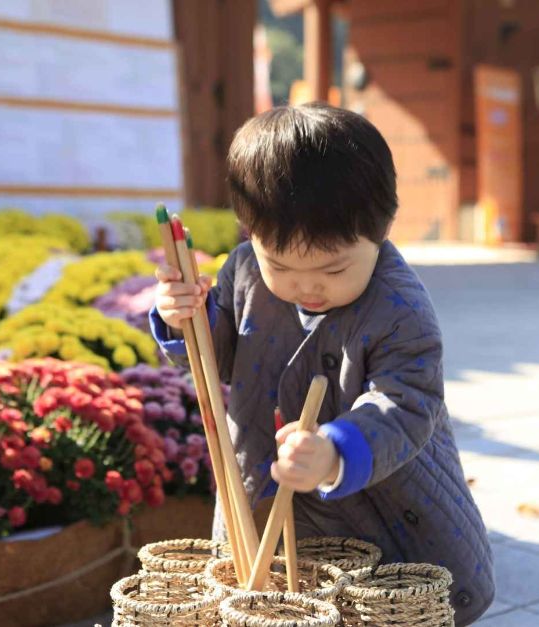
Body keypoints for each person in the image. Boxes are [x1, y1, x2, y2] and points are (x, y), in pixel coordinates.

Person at [150, 102, 494, 622]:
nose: (306, 286)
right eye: (281, 265)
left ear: (379, 231)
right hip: (262, 502)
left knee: (370, 612)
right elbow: (215, 355)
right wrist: (182, 319)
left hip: (379, 511)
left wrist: (336, 452)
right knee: (273, 606)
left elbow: (406, 404)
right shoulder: (243, 270)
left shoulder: (399, 307)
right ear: (250, 233)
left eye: (333, 269)